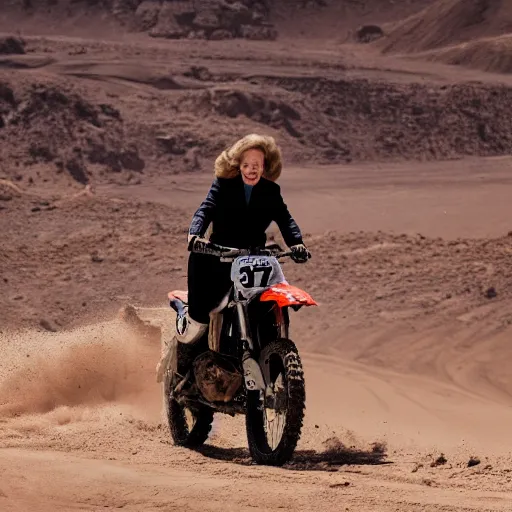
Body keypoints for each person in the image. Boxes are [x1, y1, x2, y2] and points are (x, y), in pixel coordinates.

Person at [166, 133, 310, 377]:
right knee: (200, 317)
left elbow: (286, 220)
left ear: (265, 166)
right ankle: (182, 369)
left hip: (254, 259)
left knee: (268, 302)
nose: (251, 170)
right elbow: (205, 210)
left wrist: (297, 244)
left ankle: (270, 359)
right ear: (237, 165)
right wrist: (195, 236)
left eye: (257, 165)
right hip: (217, 257)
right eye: (246, 164)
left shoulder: (271, 192)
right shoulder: (223, 185)